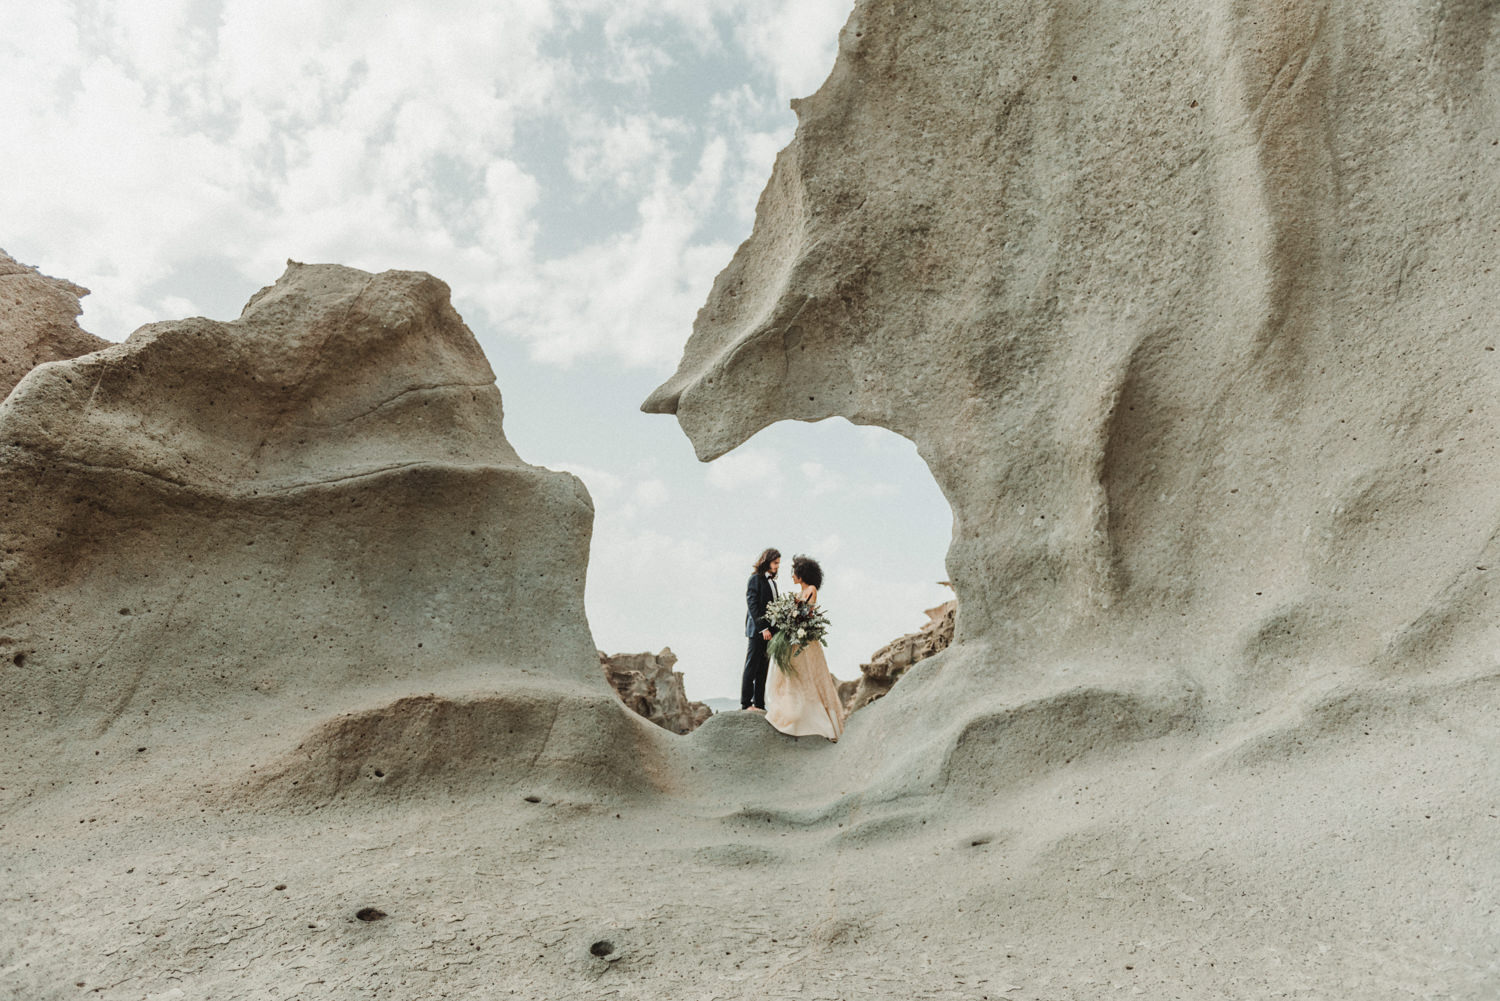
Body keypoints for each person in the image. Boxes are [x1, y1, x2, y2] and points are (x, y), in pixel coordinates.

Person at [766, 555, 844, 741]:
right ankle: (794, 712)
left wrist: (794, 621)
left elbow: (806, 614)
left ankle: (815, 720)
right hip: (794, 640)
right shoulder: (796, 595)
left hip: (805, 643)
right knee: (794, 676)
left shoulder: (811, 590)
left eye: (794, 572)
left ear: (802, 574)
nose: (792, 576)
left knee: (808, 675)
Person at [742, 547, 780, 712]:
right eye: (775, 562)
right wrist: (763, 628)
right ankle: (745, 703)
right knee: (751, 667)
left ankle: (759, 703)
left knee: (763, 669)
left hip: (771, 633)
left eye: (778, 563)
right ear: (767, 561)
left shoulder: (773, 582)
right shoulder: (754, 579)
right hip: (757, 631)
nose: (777, 566)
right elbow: (752, 605)